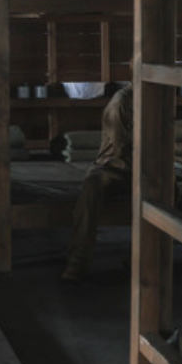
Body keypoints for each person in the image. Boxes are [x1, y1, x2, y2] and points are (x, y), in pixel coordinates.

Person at [62, 84, 132, 282]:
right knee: (92, 187)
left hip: (144, 167)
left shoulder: (158, 97)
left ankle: (150, 255)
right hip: (113, 165)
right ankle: (77, 260)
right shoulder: (122, 101)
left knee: (171, 188)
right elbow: (122, 143)